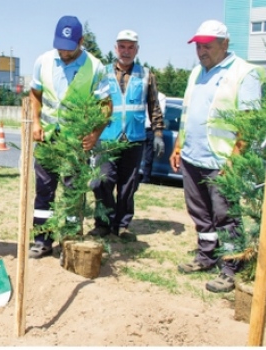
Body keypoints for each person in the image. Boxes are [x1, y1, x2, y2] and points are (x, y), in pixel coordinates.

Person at [169, 20, 264, 293]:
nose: (201, 51)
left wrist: (235, 159)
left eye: (207, 46)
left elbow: (249, 122)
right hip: (192, 157)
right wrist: (178, 146)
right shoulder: (196, 73)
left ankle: (232, 266)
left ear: (225, 44)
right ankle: (206, 255)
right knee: (200, 213)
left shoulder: (245, 73)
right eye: (198, 46)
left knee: (226, 216)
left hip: (222, 161)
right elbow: (187, 114)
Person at [28, 15, 111, 259]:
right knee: (44, 191)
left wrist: (95, 134)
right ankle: (42, 240)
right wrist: (35, 122)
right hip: (48, 139)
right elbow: (35, 93)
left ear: (81, 41)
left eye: (69, 47)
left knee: (74, 193)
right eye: (59, 46)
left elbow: (105, 105)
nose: (63, 52)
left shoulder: (95, 67)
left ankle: (71, 241)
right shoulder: (43, 61)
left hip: (76, 142)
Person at [88, 29, 165, 242]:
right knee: (102, 181)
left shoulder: (146, 74)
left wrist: (158, 132)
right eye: (122, 46)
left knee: (128, 185)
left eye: (131, 47)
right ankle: (103, 222)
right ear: (115, 48)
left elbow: (154, 105)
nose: (126, 51)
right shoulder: (101, 73)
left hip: (134, 139)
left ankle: (122, 225)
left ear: (137, 50)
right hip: (106, 138)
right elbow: (93, 105)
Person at [140, 91, 166, 184]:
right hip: (139, 128)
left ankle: (146, 178)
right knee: (136, 154)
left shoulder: (160, 96)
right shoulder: (141, 93)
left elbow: (161, 113)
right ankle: (135, 176)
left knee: (148, 156)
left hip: (150, 129)